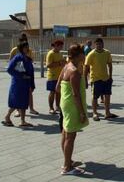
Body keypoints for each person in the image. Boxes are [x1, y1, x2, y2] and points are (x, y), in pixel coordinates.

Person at [56, 44, 89, 175]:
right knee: (71, 135)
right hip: (72, 106)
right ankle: (66, 167)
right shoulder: (74, 71)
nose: (85, 55)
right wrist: (81, 112)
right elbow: (76, 95)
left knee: (65, 132)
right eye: (83, 53)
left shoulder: (66, 67)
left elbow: (57, 87)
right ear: (80, 55)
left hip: (65, 103)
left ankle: (68, 160)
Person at [84, 38, 117, 121]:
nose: (99, 45)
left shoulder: (107, 53)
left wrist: (110, 76)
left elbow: (110, 64)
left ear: (103, 44)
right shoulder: (91, 54)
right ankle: (95, 113)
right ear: (95, 45)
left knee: (107, 95)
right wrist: (85, 79)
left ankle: (107, 113)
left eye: (100, 44)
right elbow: (86, 67)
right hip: (95, 79)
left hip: (106, 79)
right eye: (97, 44)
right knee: (95, 97)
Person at [2, 42, 34, 127]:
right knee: (16, 102)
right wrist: (22, 76)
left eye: (28, 47)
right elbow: (9, 69)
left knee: (24, 102)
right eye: (25, 47)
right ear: (21, 48)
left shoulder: (27, 59)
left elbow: (31, 73)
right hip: (18, 84)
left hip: (26, 84)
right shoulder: (18, 57)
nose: (27, 49)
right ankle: (7, 117)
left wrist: (32, 84)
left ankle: (23, 121)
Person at [9, 33, 38, 115]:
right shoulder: (14, 50)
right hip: (18, 77)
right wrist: (18, 74)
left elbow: (31, 62)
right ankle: (18, 111)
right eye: (22, 40)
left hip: (27, 76)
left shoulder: (29, 50)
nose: (24, 41)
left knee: (29, 92)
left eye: (25, 39)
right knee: (18, 94)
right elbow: (11, 64)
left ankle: (31, 108)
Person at [46, 39, 66, 114]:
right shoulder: (50, 53)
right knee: (52, 92)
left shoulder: (60, 53)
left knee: (58, 92)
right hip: (52, 76)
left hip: (60, 76)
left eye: (61, 46)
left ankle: (57, 106)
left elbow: (63, 63)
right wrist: (60, 63)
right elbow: (48, 65)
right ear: (56, 46)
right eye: (60, 46)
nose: (61, 48)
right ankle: (51, 108)